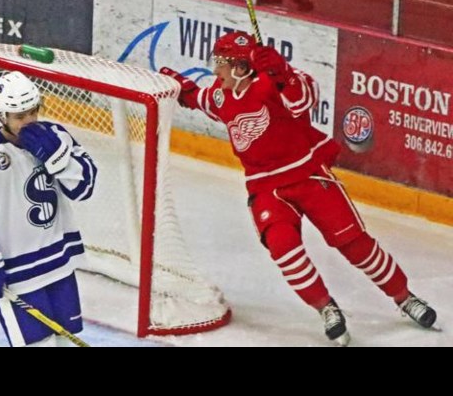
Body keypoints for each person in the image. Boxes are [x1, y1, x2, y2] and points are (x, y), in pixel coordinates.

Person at [160, 31, 437, 346]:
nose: (215, 70)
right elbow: (197, 98)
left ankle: (404, 297)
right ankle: (326, 308)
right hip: (265, 188)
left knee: (354, 244)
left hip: (306, 175)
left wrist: (283, 74)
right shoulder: (221, 96)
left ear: (239, 67)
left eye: (221, 63)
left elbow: (304, 100)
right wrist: (178, 86)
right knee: (283, 248)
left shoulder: (271, 84)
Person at [0, 71, 97, 347]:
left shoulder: (57, 136)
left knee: (66, 344)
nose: (28, 122)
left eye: (31, 113)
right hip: (16, 272)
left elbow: (84, 188)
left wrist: (58, 161)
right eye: (19, 117)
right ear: (0, 115)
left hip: (59, 262)